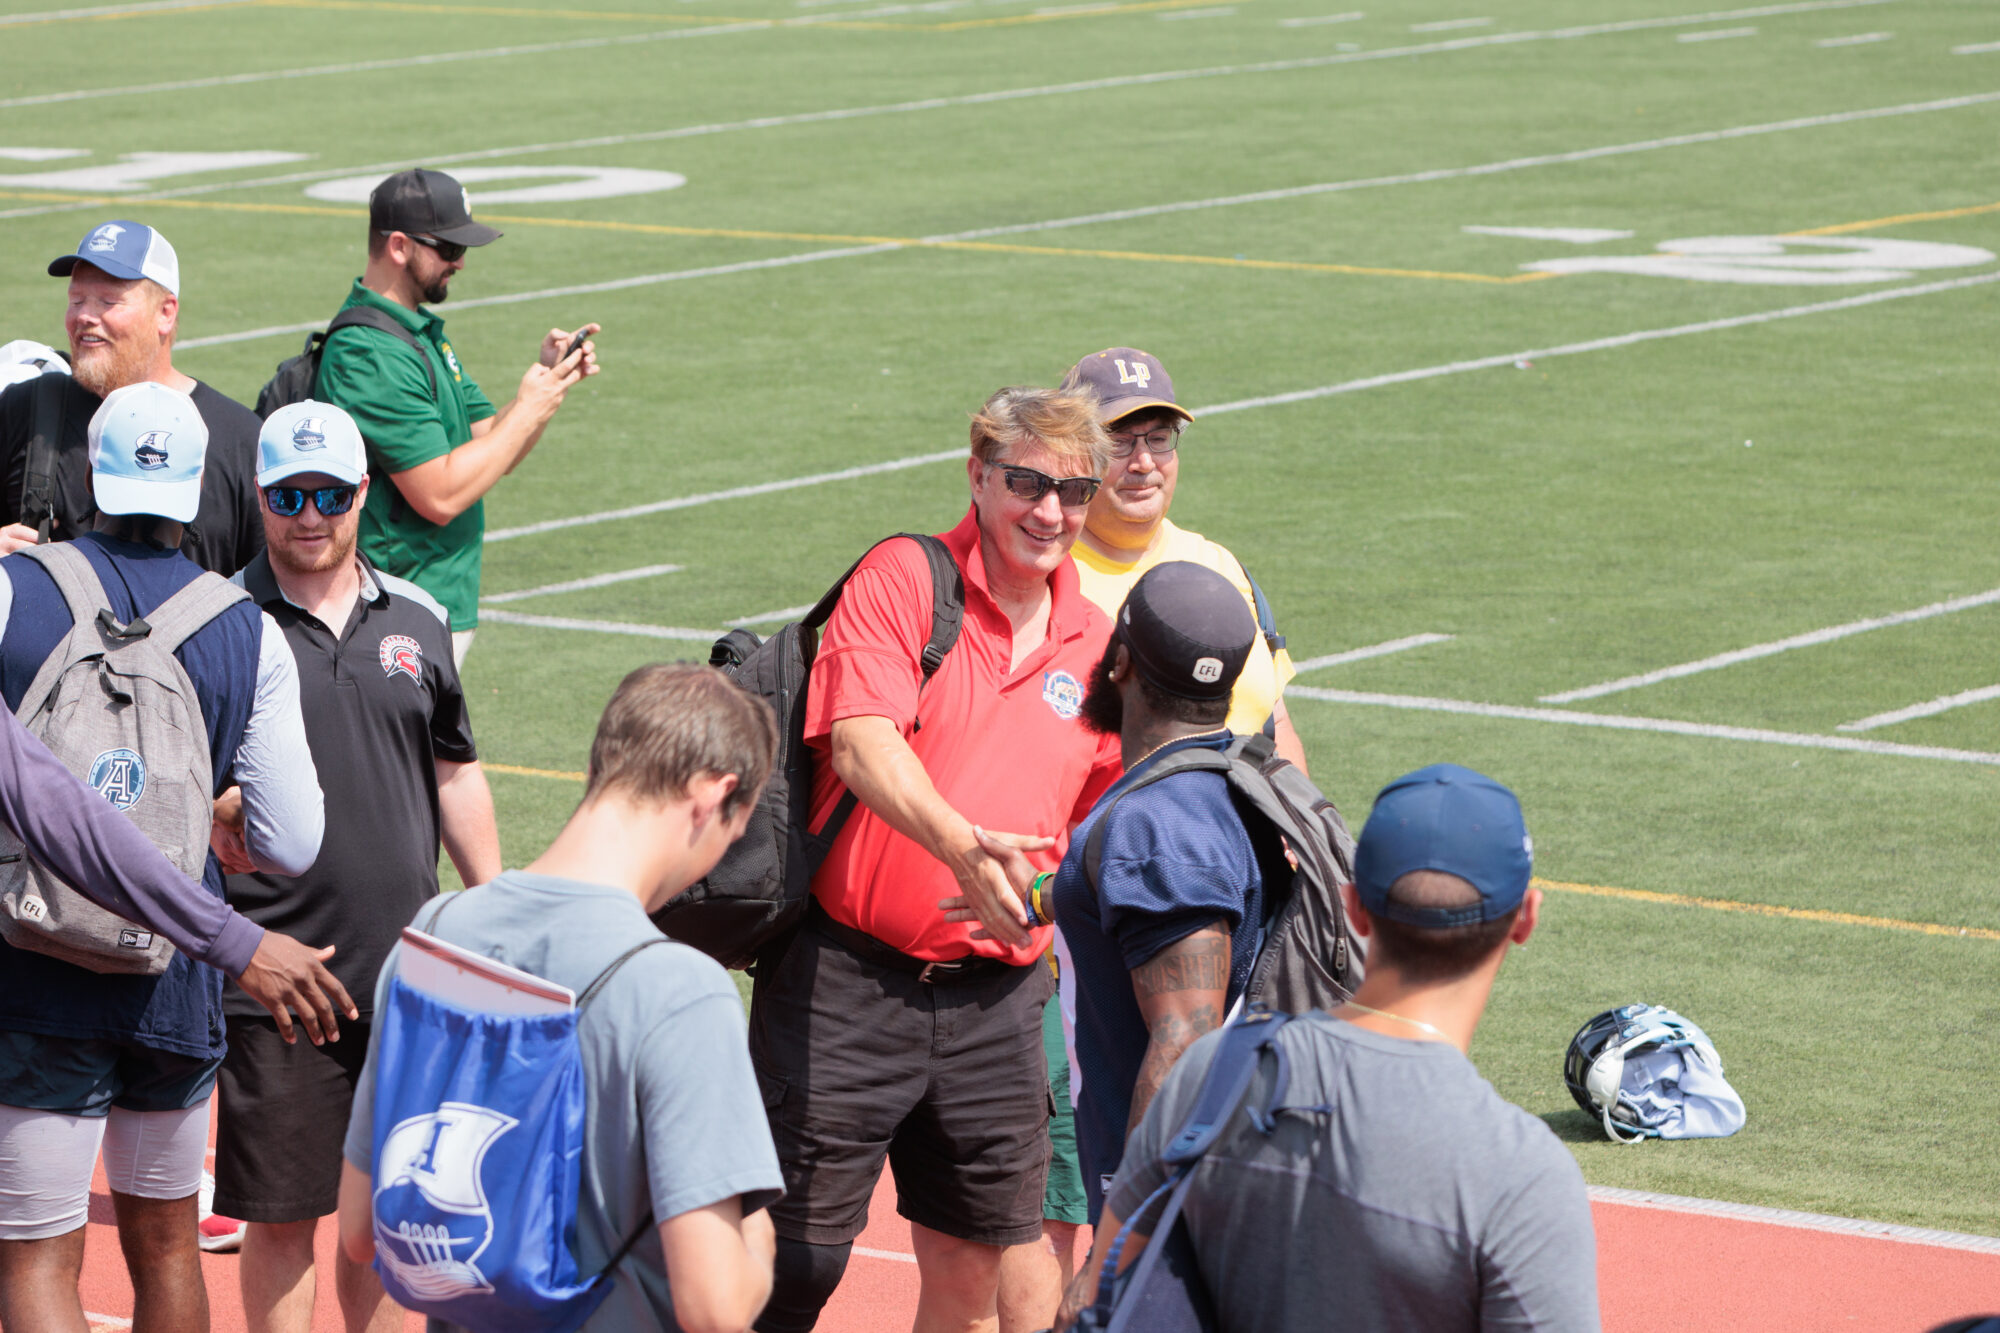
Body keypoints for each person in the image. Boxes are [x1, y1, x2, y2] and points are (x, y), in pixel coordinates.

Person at [747, 385, 1123, 1333]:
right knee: (788, 1264)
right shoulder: (906, 577)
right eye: (1027, 482)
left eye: (1074, 491)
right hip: (847, 984)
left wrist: (1046, 894)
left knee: (970, 1270)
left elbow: (1099, 821)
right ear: (978, 476)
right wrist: (960, 846)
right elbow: (861, 741)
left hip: (999, 1005)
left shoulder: (1098, 640)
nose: (1050, 511)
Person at [0, 382, 326, 1333]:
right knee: (169, 1247)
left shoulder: (17, 586)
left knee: (37, 1256)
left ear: (87, 478)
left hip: (36, 963)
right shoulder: (248, 626)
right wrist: (213, 815)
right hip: (175, 974)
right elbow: (292, 839)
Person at [1057, 765, 1601, 1333]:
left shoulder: (1212, 1072)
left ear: (1355, 906)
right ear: (1524, 919)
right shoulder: (1522, 1173)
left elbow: (1105, 1290)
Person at [337, 661, 784, 1333]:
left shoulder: (429, 937)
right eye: (734, 829)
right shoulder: (681, 990)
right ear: (710, 796)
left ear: (602, 763)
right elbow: (714, 1307)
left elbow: (358, 1230)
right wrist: (759, 1237)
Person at [205, 401, 502, 1326]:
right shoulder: (217, 620)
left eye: (330, 494)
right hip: (277, 981)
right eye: (289, 495)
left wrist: (496, 904)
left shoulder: (418, 616)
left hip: (407, 976)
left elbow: (454, 769)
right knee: (283, 1219)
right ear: (261, 495)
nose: (311, 515)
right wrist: (212, 806)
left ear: (363, 493)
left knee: (390, 1223)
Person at [314, 168, 598, 666]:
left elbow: (491, 442)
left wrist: (549, 385)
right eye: (448, 248)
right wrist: (530, 406)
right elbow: (440, 495)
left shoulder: (415, 333)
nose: (461, 262)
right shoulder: (371, 353)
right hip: (397, 610)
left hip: (431, 600)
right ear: (399, 246)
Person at [1058, 347, 1304, 770]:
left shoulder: (1218, 567)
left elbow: (1274, 721)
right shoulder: (1046, 584)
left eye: (1158, 439)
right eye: (1118, 441)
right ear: (1071, 454)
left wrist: (1295, 816)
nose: (1144, 462)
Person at [0, 222, 265, 573]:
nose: (84, 316)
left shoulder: (240, 439)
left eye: (108, 301)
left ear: (165, 313)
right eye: (76, 300)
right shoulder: (24, 411)